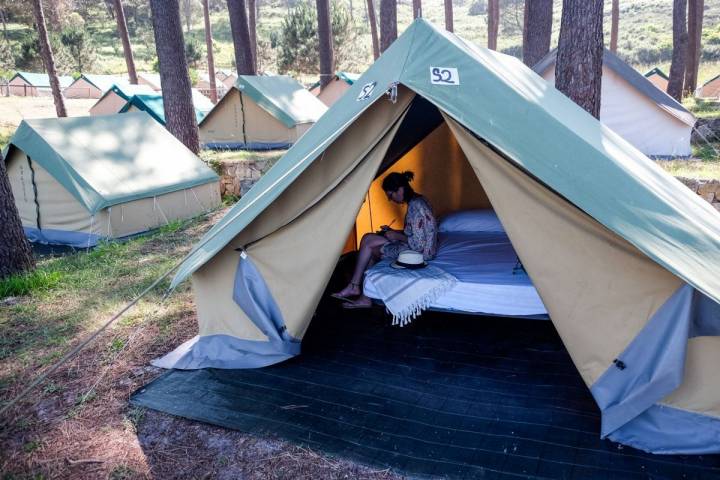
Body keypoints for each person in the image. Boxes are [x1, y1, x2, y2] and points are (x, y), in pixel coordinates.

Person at [332, 170, 438, 308]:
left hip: (420, 254)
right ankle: (360, 291)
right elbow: (416, 233)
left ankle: (357, 289)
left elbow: (418, 244)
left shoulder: (416, 206)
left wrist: (396, 236)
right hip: (420, 248)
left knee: (368, 246)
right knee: (367, 239)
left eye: (390, 194)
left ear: (400, 189)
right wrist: (394, 232)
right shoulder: (419, 200)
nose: (390, 199)